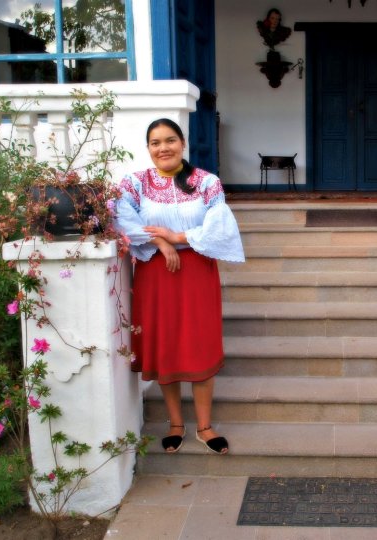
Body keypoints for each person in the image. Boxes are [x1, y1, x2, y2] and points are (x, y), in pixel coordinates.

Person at [114, 118, 245, 455]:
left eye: (170, 140)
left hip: (197, 272)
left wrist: (179, 237)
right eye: (155, 142)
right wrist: (161, 243)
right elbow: (122, 218)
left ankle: (204, 426)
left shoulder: (207, 182)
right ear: (148, 148)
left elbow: (220, 226)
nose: (163, 148)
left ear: (182, 143)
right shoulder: (134, 183)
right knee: (166, 343)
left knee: (199, 343)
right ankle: (175, 423)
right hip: (156, 273)